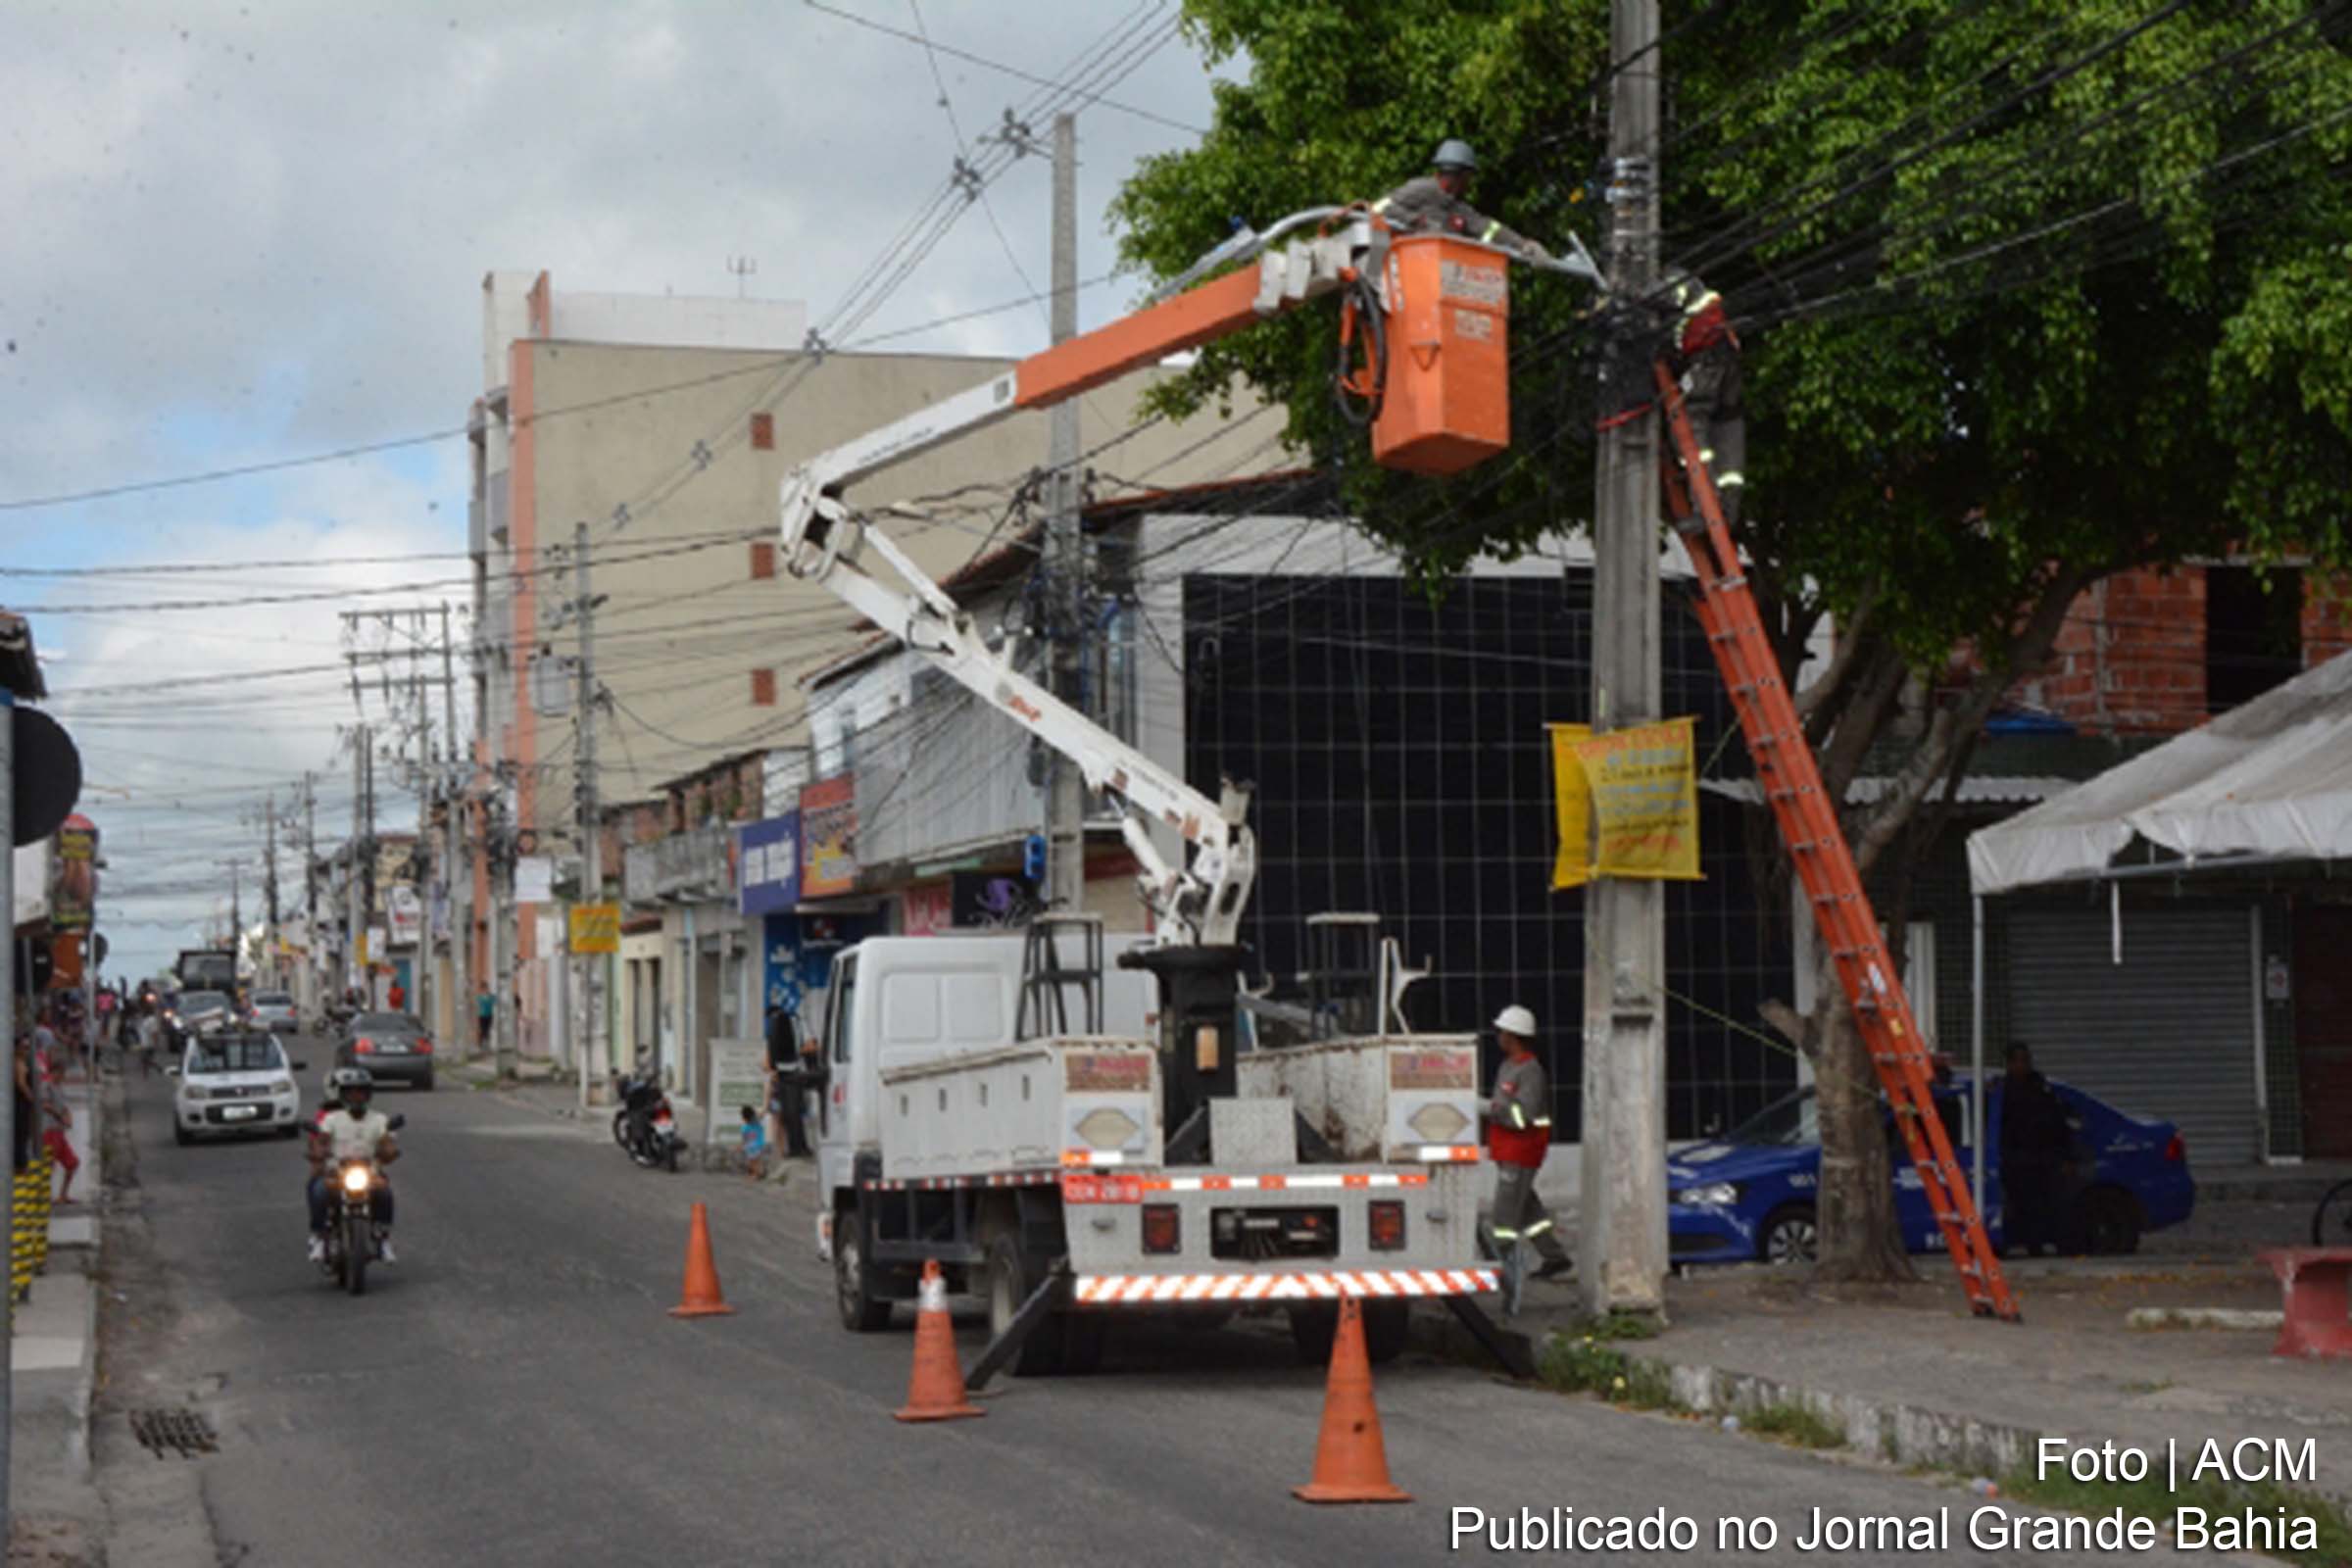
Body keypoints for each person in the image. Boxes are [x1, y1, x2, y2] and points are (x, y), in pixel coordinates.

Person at [1485, 1004, 1573, 1281]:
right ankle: (1555, 1257)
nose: (1498, 1036)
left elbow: (1523, 1116)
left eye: (1502, 1032)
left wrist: (1491, 1110)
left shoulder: (1530, 1071)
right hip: (1507, 1149)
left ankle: (1502, 1268)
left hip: (1522, 1151)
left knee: (1504, 1216)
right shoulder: (1508, 1067)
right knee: (1527, 1210)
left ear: (1513, 1036)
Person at [1659, 266, 1745, 527]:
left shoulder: (1669, 281)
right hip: (1727, 361)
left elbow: (1669, 302)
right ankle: (1727, 511)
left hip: (1706, 362)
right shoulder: (1701, 294)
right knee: (1727, 426)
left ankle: (1705, 509)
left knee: (1689, 425)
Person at [1371, 139, 1549, 262]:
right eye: (1469, 177)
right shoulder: (1422, 189)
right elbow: (1378, 208)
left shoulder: (1458, 209)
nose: (1469, 183)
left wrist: (1522, 244)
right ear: (1461, 175)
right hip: (1397, 265)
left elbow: (1486, 228)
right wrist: (1415, 221)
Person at [307, 1067, 400, 1265]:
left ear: (368, 1094)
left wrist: (389, 1151)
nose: (357, 1096)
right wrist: (318, 1152)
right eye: (351, 1092)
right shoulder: (332, 1119)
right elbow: (321, 1140)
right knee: (319, 1191)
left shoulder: (379, 1120)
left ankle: (383, 1238)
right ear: (343, 1094)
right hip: (337, 1172)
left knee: (385, 1192)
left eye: (361, 1091)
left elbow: (387, 1143)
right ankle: (318, 1237)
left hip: (369, 1172)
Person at [1997, 1044, 2077, 1257]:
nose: (2022, 1066)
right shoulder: (2003, 1090)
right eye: (2017, 1061)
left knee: (2050, 1203)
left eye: (2025, 1060)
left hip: (2045, 1156)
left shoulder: (2041, 1088)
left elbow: (2059, 1123)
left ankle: (2054, 1244)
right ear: (2009, 1064)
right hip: (2017, 1158)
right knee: (2023, 1204)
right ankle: (2031, 1244)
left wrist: (2066, 1156)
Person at [764, 1005, 809, 1159]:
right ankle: (801, 1146)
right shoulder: (794, 1020)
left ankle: (795, 1148)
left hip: (785, 1072)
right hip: (796, 1070)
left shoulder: (776, 1021)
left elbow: (773, 1045)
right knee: (795, 1113)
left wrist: (773, 1067)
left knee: (790, 1113)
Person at [39, 1071, 76, 1204]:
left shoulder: (60, 1088)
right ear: (54, 1071)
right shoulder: (46, 1086)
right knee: (49, 1164)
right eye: (60, 1072)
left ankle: (63, 1195)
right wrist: (60, 1117)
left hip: (59, 1131)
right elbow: (45, 1105)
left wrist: (69, 1118)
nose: (62, 1076)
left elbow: (65, 1107)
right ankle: (43, 1197)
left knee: (72, 1163)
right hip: (50, 1130)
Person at [739, 1103, 768, 1182]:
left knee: (753, 1162)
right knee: (756, 1161)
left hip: (750, 1147)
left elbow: (744, 1139)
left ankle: (756, 1174)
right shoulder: (757, 1123)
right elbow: (761, 1114)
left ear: (744, 1118)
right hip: (758, 1145)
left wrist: (741, 1146)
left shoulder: (745, 1127)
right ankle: (758, 1173)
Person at [475, 988, 495, 1052]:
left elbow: (494, 1000)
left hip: (489, 1016)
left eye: (487, 990)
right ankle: (481, 1043)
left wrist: (490, 996)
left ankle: (486, 1043)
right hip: (482, 1016)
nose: (486, 991)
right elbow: (477, 1004)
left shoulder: (491, 997)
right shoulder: (480, 998)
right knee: (483, 1029)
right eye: (484, 990)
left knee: (488, 1029)